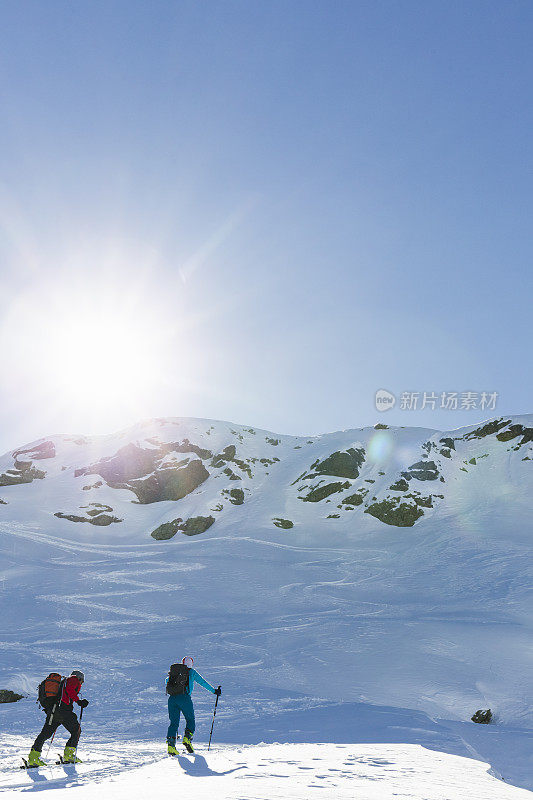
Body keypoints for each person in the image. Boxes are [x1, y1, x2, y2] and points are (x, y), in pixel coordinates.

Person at [27, 669, 89, 766]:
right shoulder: (73, 679)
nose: (82, 683)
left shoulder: (64, 682)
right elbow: (70, 690)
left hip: (54, 711)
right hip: (63, 711)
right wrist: (79, 701)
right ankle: (69, 755)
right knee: (76, 730)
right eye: (82, 681)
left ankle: (33, 758)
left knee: (45, 734)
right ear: (80, 678)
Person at [166, 656, 221, 754]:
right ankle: (187, 738)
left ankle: (171, 746)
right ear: (191, 664)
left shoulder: (176, 673)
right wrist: (214, 691)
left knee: (174, 723)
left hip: (172, 699)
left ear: (182, 663)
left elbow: (167, 681)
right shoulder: (191, 672)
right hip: (184, 698)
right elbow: (202, 682)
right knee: (190, 719)